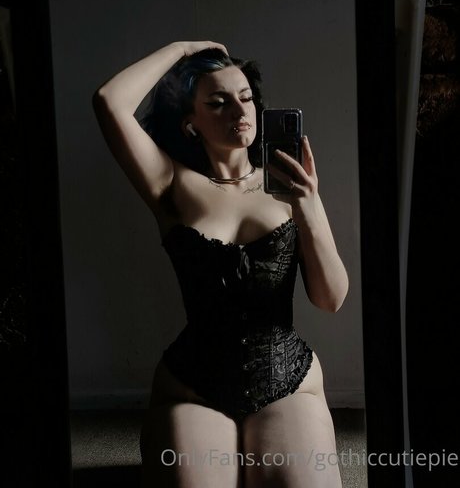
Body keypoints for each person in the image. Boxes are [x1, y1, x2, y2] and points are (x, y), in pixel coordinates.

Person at [93, 40, 349, 488]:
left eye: (246, 97)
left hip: (286, 380)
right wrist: (183, 49)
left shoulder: (291, 185)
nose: (239, 110)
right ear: (190, 122)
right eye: (218, 102)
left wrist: (308, 205)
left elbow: (331, 299)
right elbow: (108, 101)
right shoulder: (168, 183)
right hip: (194, 387)